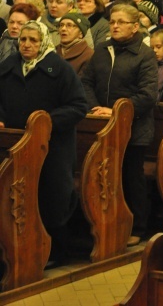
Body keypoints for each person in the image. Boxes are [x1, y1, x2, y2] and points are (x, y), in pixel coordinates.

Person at [0, 21, 88, 266]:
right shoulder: (7, 66)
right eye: (23, 40)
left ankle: (56, 252)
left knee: (52, 198)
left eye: (33, 40)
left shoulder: (59, 69)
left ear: (43, 42)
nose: (27, 45)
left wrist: (46, 121)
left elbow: (79, 106)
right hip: (15, 146)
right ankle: (19, 251)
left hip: (53, 148)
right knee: (18, 198)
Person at [82, 3, 158, 246]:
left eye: (121, 22)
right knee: (105, 177)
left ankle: (138, 226)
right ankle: (108, 223)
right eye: (112, 21)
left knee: (130, 177)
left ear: (135, 27)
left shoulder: (144, 55)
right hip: (102, 125)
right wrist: (96, 109)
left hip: (134, 129)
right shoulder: (103, 50)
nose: (114, 25)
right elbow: (86, 82)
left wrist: (115, 111)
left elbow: (147, 94)